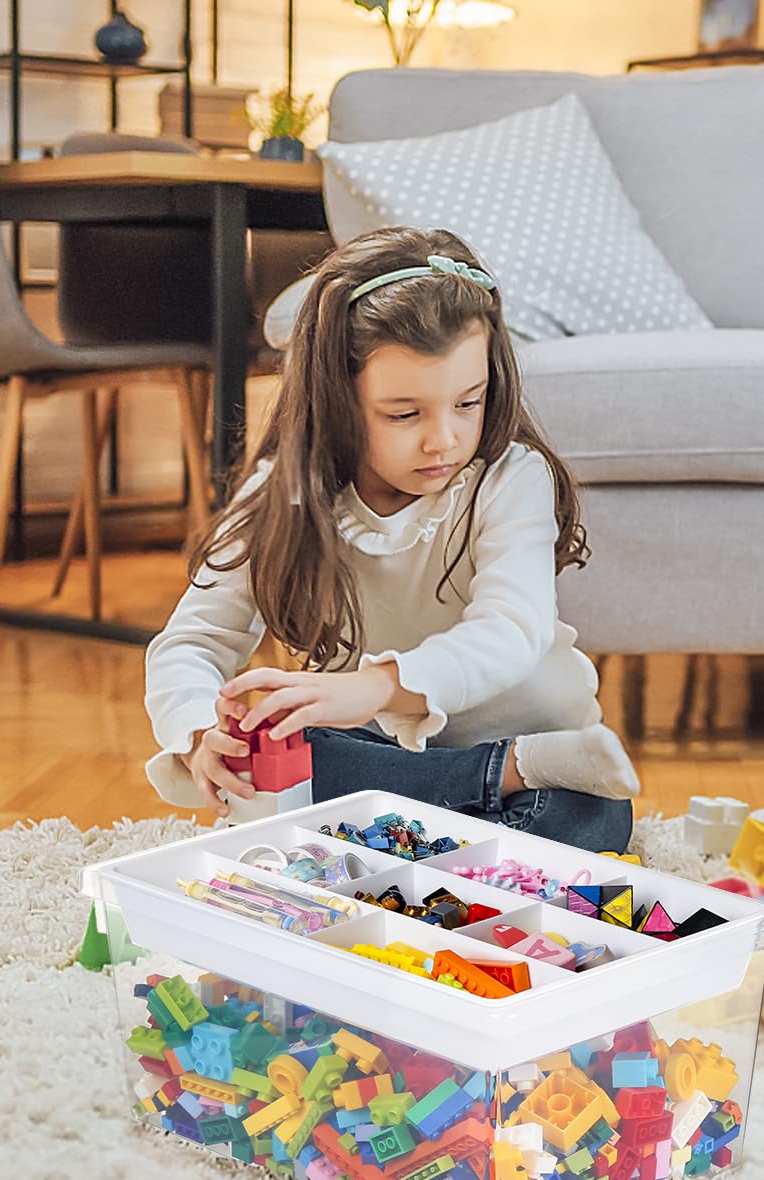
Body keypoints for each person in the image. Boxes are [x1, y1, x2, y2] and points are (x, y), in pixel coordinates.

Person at [143, 225, 638, 853]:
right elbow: (191, 641)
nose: (444, 440)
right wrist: (196, 733)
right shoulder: (284, 492)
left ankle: (473, 794)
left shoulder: (510, 479)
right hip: (388, 748)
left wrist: (374, 686)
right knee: (279, 745)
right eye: (404, 414)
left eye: (469, 402)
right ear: (336, 399)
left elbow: (509, 632)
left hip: (539, 745)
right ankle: (485, 788)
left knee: (588, 817)